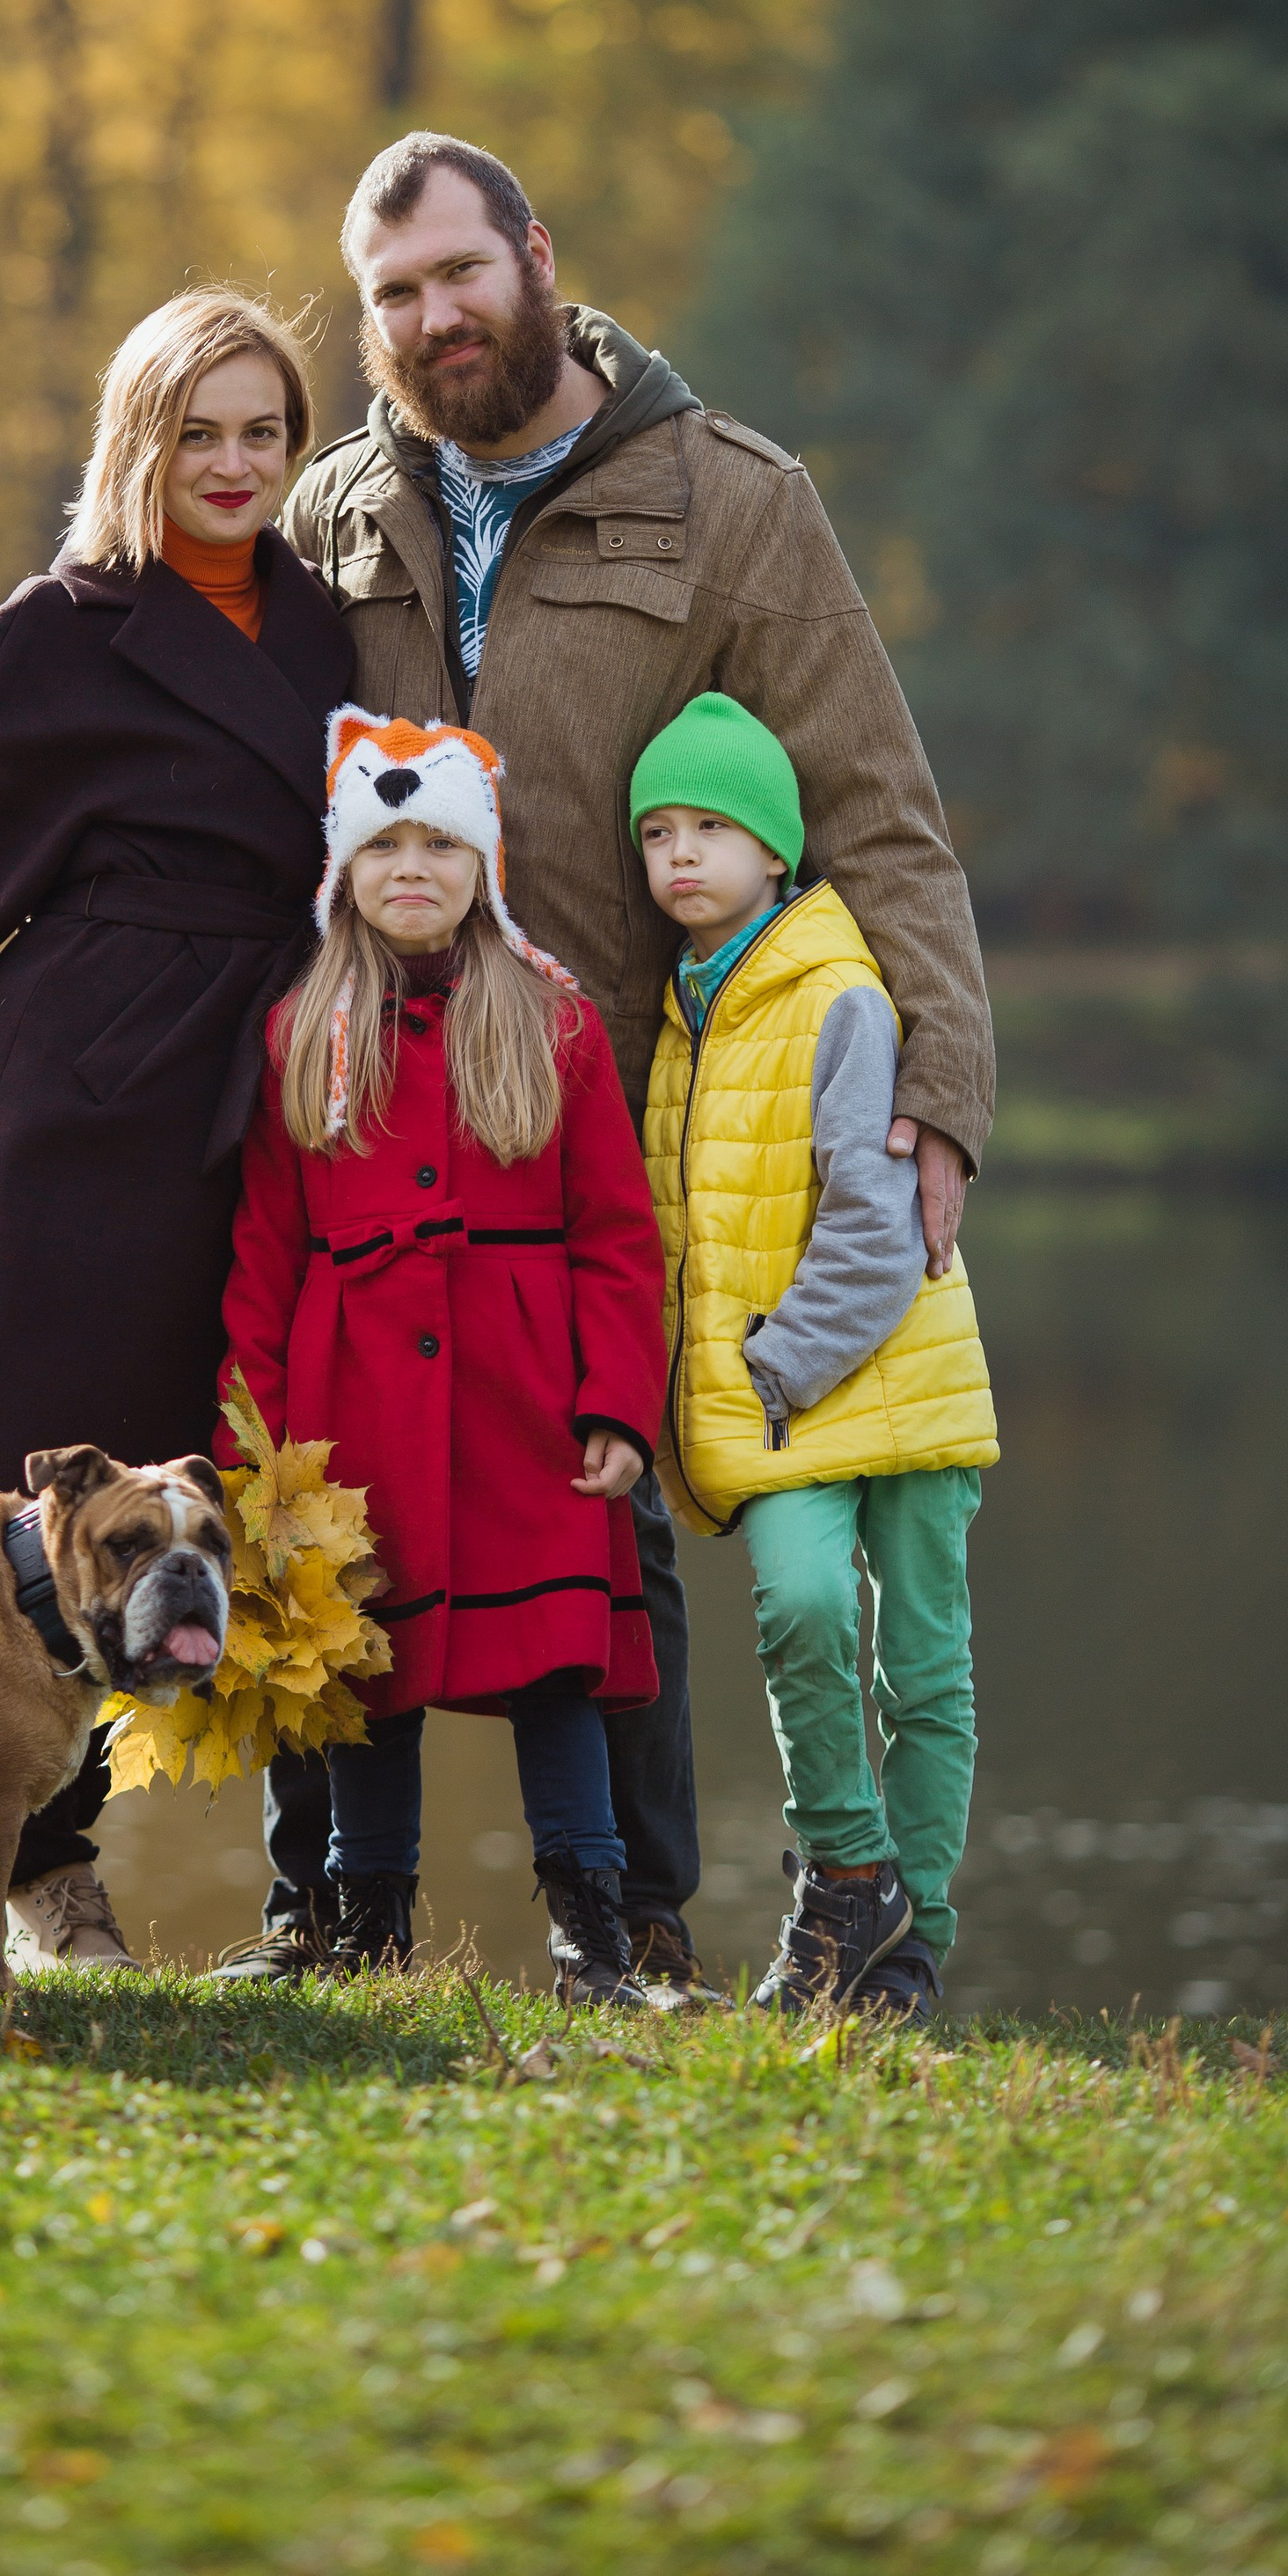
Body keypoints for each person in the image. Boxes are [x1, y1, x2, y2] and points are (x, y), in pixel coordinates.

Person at [229, 128, 993, 2009]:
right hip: (369, 1108)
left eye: (456, 275)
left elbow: (877, 816)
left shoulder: (732, 501)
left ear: (535, 260)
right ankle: (324, 1913)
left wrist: (939, 1098)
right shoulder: (333, 507)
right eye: (392, 293)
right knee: (337, 1506)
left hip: (638, 1107)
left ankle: (650, 1923)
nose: (428, 318)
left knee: (613, 1508)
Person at [0, 289, 352, 1974]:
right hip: (65, 1099)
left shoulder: (334, 630)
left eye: (263, 433)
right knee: (15, 1469)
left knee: (194, 1471)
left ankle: (202, 1868)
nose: (232, 465)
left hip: (256, 1087)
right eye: (198, 432)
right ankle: (25, 1875)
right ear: (138, 440)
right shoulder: (54, 632)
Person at [218, 711, 668, 2004]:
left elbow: (617, 1239)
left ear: (484, 869)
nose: (411, 868)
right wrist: (258, 1448)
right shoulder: (299, 1033)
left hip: (527, 1402)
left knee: (556, 1669)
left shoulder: (556, 1021)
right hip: (353, 1401)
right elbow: (262, 1258)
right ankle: (368, 1928)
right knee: (368, 1671)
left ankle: (594, 1931)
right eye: (384, 846)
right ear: (344, 872)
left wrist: (616, 1407)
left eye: (440, 845)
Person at [632, 691, 999, 2020]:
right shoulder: (682, 1014)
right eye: (658, 832)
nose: (679, 855)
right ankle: (851, 1869)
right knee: (801, 1608)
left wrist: (774, 1369)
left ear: (775, 851)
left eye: (710, 829)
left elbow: (879, 1224)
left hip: (883, 1372)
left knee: (927, 1666)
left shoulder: (838, 991)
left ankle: (909, 1946)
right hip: (782, 1400)